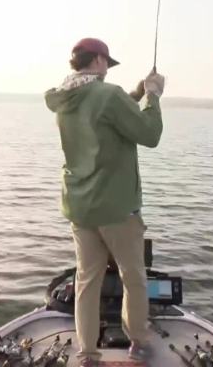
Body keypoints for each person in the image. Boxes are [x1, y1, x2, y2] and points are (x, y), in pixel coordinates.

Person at [45, 38, 165, 366]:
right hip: (116, 209)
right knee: (133, 277)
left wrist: (137, 92)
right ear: (98, 59)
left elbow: (102, 113)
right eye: (106, 64)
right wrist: (153, 95)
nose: (106, 71)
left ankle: (87, 354)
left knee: (86, 281)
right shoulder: (108, 95)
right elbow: (150, 134)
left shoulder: (66, 97)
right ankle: (138, 343)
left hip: (80, 208)